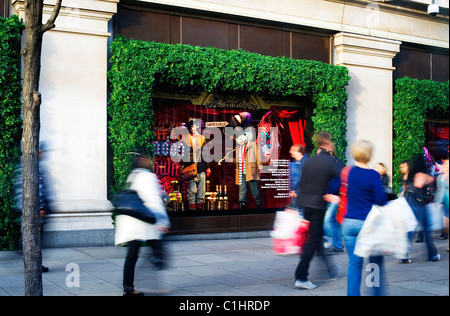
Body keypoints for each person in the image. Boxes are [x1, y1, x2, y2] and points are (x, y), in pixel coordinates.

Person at [114, 152, 171, 296]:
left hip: (132, 223)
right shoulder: (148, 177)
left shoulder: (133, 175)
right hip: (144, 222)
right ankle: (153, 285)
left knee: (133, 255)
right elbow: (154, 200)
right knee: (156, 252)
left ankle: (129, 288)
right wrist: (164, 222)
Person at [294, 131, 341, 290]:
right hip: (317, 204)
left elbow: (302, 182)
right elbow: (338, 180)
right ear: (327, 143)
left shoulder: (309, 161)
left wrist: (292, 205)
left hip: (305, 204)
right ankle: (301, 276)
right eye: (331, 142)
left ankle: (331, 270)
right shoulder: (330, 161)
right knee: (313, 240)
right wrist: (330, 194)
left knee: (317, 236)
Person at [340, 140, 387, 296]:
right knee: (375, 263)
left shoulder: (349, 172)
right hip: (367, 225)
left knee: (354, 264)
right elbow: (380, 200)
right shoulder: (373, 174)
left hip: (349, 224)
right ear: (369, 154)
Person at [403, 153, 440, 263]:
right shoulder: (422, 174)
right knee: (427, 230)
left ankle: (403, 255)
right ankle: (432, 255)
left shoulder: (411, 174)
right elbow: (430, 183)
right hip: (419, 204)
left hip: (410, 203)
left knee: (410, 229)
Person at [181, 118, 211, 211]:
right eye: (192, 126)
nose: (194, 128)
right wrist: (183, 166)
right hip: (190, 167)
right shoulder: (186, 139)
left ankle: (199, 209)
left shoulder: (201, 138)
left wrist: (208, 167)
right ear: (189, 127)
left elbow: (206, 153)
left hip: (201, 167)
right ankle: (191, 209)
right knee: (192, 189)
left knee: (201, 190)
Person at [434, 155, 449, 252]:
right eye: (445, 164)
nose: (446, 166)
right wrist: (437, 202)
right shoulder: (440, 177)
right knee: (446, 224)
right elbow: (439, 191)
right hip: (445, 203)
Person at [289, 144, 308, 212]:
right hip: (296, 195)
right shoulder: (294, 163)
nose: (290, 152)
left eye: (293, 150)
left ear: (298, 152)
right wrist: (292, 190)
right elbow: (292, 178)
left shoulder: (305, 162)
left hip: (302, 195)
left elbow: (303, 178)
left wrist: (297, 191)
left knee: (301, 214)